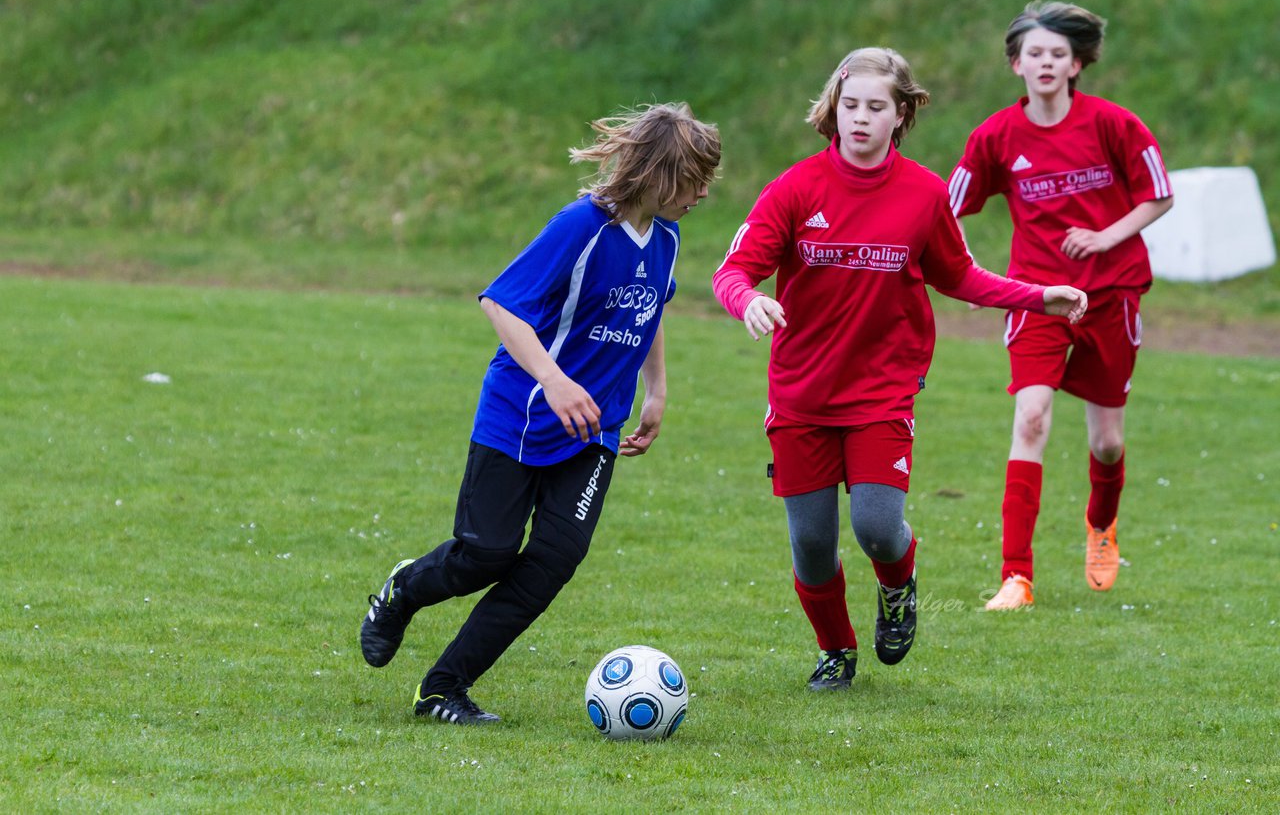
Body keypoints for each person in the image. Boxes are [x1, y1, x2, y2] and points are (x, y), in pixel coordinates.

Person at [713, 47, 1087, 689]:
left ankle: (898, 588)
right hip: (801, 393)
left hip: (882, 392)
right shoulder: (796, 188)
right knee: (810, 545)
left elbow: (959, 276)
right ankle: (837, 650)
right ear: (835, 107)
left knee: (879, 529)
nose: (859, 118)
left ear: (902, 113)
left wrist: (1038, 295)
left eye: (875, 107)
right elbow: (733, 269)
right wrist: (749, 300)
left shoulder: (923, 194)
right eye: (850, 104)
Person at [359, 102, 721, 723]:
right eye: (695, 179)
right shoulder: (581, 225)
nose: (704, 193)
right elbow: (501, 303)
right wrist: (554, 380)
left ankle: (443, 688)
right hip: (520, 415)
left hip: (594, 431)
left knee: (554, 559)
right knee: (486, 554)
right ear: (660, 175)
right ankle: (402, 591)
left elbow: (649, 307)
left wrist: (656, 388)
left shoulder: (666, 233)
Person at [947, 0, 1173, 611]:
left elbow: (1160, 195)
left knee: (1106, 443)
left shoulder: (1115, 125)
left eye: (1057, 53)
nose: (1045, 63)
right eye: (1034, 53)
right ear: (1017, 64)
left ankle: (1101, 525)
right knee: (1033, 418)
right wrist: (962, 273)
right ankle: (1016, 577)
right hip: (1038, 296)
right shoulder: (995, 136)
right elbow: (944, 210)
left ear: (1076, 63)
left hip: (1111, 291)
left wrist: (1105, 236)